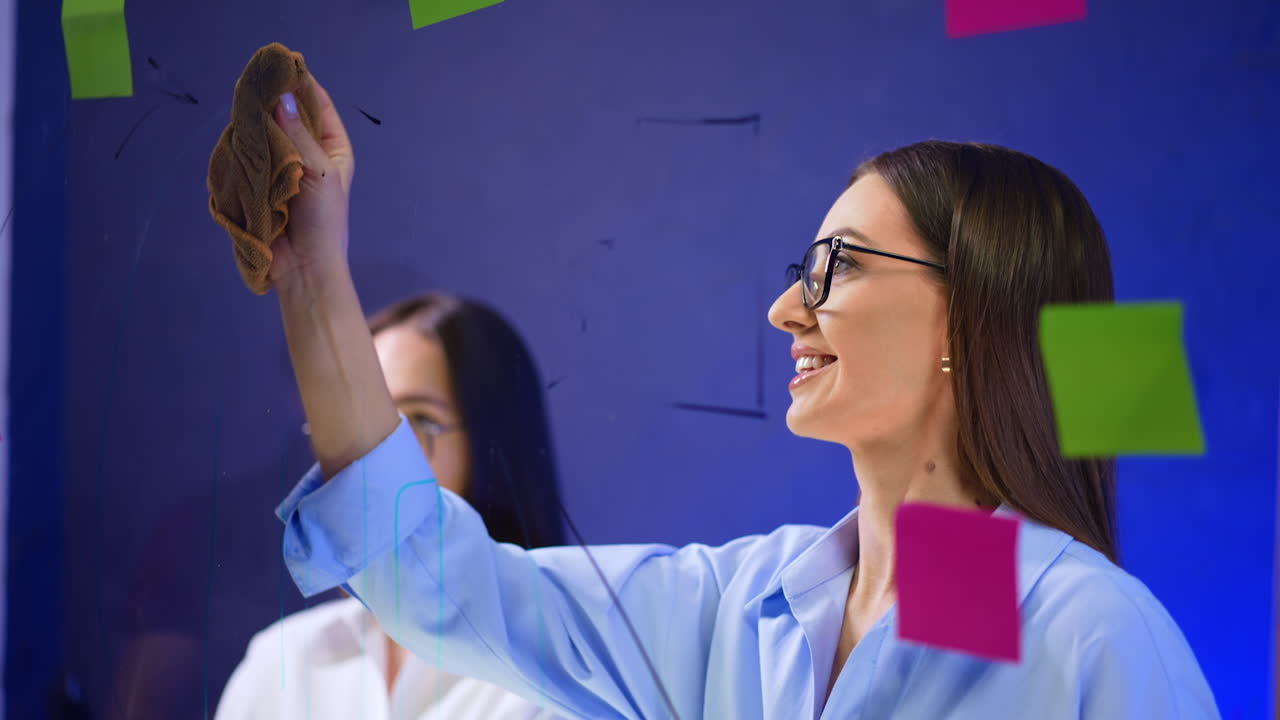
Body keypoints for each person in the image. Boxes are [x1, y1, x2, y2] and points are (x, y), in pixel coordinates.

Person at [256, 73, 1221, 718]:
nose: (784, 309)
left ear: (968, 316)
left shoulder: (1090, 639)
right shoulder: (744, 608)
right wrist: (311, 273)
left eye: (836, 266)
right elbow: (443, 586)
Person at [215, 293, 570, 719]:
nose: (377, 458)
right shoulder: (284, 663)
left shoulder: (563, 673)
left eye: (418, 421)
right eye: (356, 428)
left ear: (494, 445)